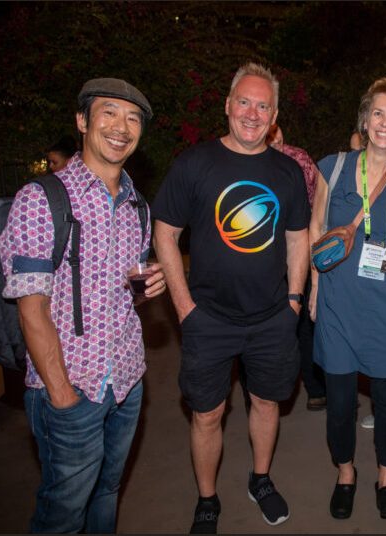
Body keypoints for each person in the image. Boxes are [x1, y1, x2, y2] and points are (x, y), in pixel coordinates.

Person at [0, 78, 166, 533]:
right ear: (82, 121)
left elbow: (123, 289)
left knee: (107, 492)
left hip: (126, 381)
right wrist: (62, 397)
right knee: (62, 515)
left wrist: (150, 284)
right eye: (108, 112)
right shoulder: (42, 199)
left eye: (133, 118)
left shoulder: (137, 207)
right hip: (72, 388)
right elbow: (30, 309)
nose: (121, 126)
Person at [152, 62, 309, 532]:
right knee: (208, 413)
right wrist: (184, 308)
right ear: (227, 104)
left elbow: (299, 239)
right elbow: (165, 233)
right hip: (209, 319)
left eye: (263, 105)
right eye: (244, 101)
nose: (252, 113)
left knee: (266, 403)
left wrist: (295, 302)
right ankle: (207, 499)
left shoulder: (286, 171)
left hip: (272, 319)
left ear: (275, 115)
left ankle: (260, 478)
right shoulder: (194, 163)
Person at [308, 76, 386, 520]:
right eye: (378, 112)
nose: (385, 122)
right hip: (338, 304)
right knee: (339, 403)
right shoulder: (332, 168)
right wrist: (314, 288)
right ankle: (346, 472)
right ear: (365, 117)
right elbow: (317, 230)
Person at [267, 124, 326, 410]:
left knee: (302, 322)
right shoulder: (249, 161)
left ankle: (314, 387)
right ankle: (267, 389)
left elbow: (317, 205)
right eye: (271, 141)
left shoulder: (299, 160)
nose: (276, 145)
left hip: (296, 249)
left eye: (279, 140)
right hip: (262, 257)